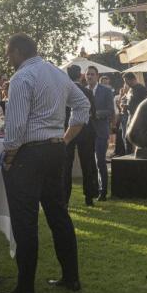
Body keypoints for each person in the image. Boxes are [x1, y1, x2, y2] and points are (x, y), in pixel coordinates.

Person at [0, 33, 89, 293]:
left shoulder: (22, 78)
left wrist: (10, 157)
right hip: (54, 150)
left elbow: (14, 127)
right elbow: (82, 105)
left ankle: (25, 291)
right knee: (58, 214)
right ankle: (71, 277)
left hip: (30, 153)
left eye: (8, 53)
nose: (7, 59)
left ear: (16, 51)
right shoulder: (58, 74)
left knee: (25, 222)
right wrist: (65, 138)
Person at [66, 65, 98, 206]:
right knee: (87, 163)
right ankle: (89, 197)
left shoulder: (64, 91)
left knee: (66, 165)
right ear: (80, 75)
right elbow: (93, 113)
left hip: (68, 129)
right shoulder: (87, 92)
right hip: (85, 129)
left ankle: (65, 196)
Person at [86, 66, 115, 200]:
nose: (90, 77)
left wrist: (97, 114)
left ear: (97, 76)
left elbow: (110, 110)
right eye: (88, 74)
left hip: (100, 131)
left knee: (100, 161)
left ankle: (103, 191)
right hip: (86, 132)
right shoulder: (83, 91)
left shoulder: (106, 91)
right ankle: (93, 190)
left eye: (92, 74)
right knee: (89, 162)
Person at [113, 83, 129, 158]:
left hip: (126, 118)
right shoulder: (122, 96)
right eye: (124, 85)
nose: (124, 87)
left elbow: (123, 108)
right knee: (123, 136)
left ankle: (127, 153)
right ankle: (124, 153)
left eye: (126, 86)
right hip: (122, 118)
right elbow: (119, 108)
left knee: (125, 136)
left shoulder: (129, 96)